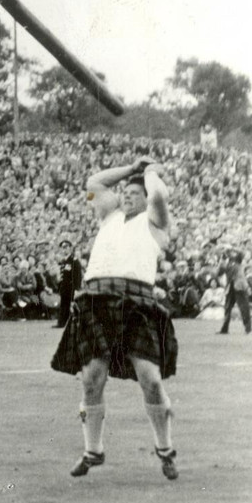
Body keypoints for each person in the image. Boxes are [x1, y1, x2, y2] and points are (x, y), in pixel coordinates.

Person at [51, 156, 179, 481]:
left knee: (151, 380)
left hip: (137, 302)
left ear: (146, 198)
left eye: (135, 193)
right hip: (97, 300)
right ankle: (93, 451)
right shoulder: (109, 216)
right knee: (91, 379)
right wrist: (132, 168)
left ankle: (165, 450)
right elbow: (94, 183)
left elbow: (158, 195)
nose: (128, 196)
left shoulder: (156, 223)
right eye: (126, 193)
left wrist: (150, 173)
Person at [218, 249, 252, 335]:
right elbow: (218, 273)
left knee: (244, 308)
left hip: (239, 286)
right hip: (231, 287)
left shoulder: (237, 260)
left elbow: (241, 253)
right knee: (227, 308)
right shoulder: (226, 263)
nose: (229, 254)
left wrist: (232, 250)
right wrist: (222, 259)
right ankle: (225, 329)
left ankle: (248, 329)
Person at [54, 239, 84, 329]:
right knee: (64, 305)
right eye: (63, 248)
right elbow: (63, 275)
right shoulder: (64, 261)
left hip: (71, 287)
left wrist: (77, 289)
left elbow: (78, 276)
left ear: (70, 248)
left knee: (72, 305)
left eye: (66, 247)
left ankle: (73, 323)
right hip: (64, 287)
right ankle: (61, 322)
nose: (64, 250)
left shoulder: (74, 260)